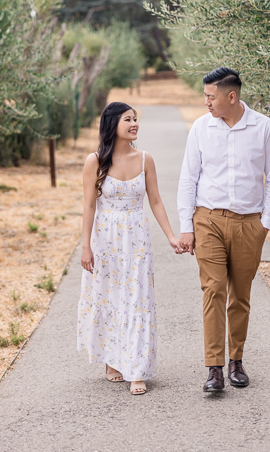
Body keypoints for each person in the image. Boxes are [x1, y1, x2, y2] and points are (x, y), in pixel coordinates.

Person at [177, 67, 270, 392]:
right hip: (208, 220)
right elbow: (188, 178)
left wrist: (264, 225)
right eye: (205, 96)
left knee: (240, 296)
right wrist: (186, 227)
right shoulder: (200, 128)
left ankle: (236, 360)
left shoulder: (263, 127)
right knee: (213, 291)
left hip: (249, 224)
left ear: (231, 96)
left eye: (211, 96)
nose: (205, 101)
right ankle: (214, 369)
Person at [77, 101, 182, 395]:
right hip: (105, 238)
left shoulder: (145, 159)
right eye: (128, 119)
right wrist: (86, 247)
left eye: (135, 119)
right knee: (110, 297)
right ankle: (113, 359)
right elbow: (88, 206)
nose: (134, 123)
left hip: (136, 239)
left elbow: (156, 201)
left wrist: (171, 236)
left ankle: (137, 369)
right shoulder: (94, 161)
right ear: (113, 124)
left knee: (137, 298)